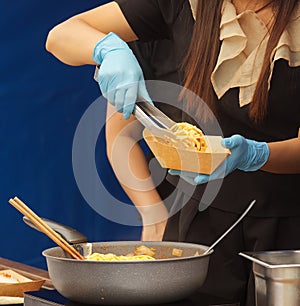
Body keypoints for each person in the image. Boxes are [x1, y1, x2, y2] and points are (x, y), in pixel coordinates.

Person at [45, 0, 300, 305]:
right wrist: (107, 49)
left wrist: (256, 155)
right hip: (194, 228)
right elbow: (61, 36)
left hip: (287, 234)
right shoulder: (182, 5)